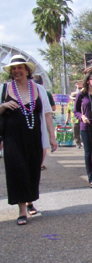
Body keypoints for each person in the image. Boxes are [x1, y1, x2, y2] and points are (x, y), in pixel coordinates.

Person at [0, 54, 57, 223]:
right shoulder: (4, 89)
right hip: (12, 138)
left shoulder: (38, 89)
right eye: (13, 69)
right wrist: (2, 107)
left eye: (19, 68)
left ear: (27, 70)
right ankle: (22, 210)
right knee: (17, 169)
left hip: (34, 136)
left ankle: (30, 200)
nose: (16, 71)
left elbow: (47, 114)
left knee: (32, 169)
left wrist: (52, 137)